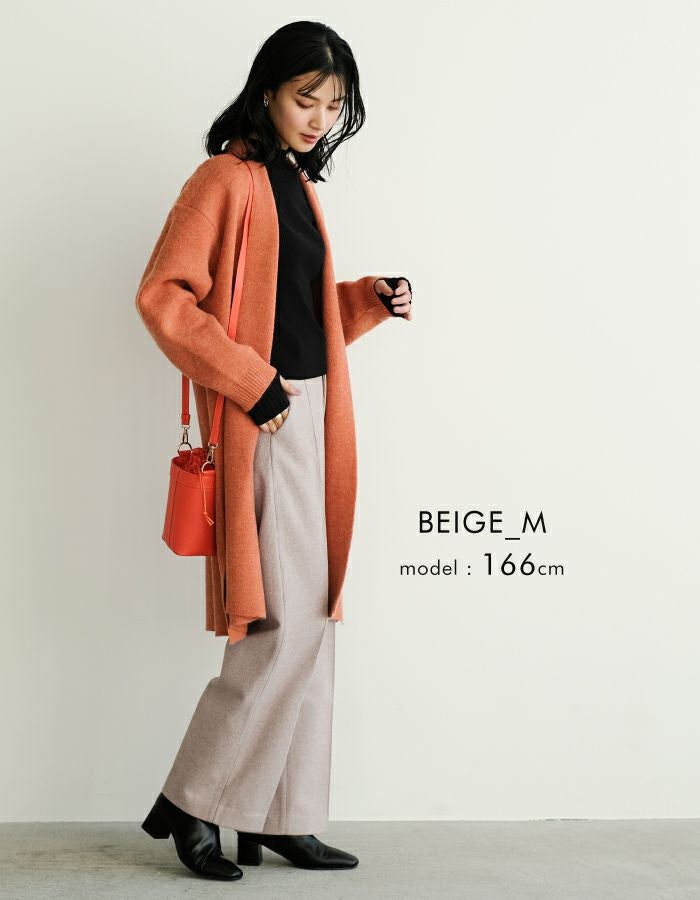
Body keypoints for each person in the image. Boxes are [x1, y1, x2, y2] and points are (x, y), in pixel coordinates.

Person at [135, 20, 413, 882]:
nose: (319, 118)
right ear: (266, 91)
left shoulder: (293, 180)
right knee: (281, 622)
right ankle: (191, 799)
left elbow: (294, 312)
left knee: (316, 619)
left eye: (333, 105)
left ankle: (283, 814)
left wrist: (365, 299)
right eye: (305, 99)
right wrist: (251, 383)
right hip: (267, 418)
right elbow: (164, 298)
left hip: (317, 411)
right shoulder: (223, 179)